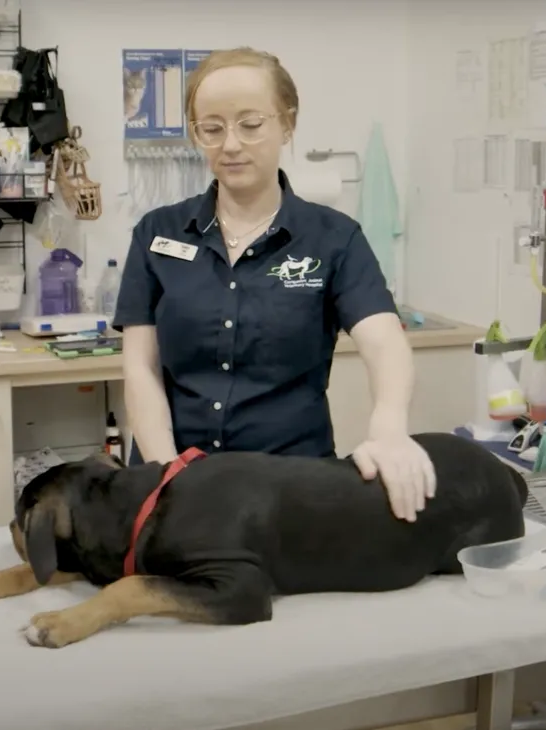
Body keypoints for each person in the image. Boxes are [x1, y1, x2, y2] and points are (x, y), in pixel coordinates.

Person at [112, 47, 436, 523]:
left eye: (251, 123)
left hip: (290, 491)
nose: (231, 144)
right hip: (173, 487)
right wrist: (167, 474)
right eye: (212, 127)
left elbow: (383, 340)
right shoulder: (157, 234)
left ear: (287, 124)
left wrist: (389, 427)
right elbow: (140, 368)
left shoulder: (334, 238)